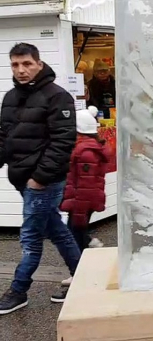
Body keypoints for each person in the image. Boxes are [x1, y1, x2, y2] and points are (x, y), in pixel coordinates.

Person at [0, 43, 81, 315]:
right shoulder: (10, 97)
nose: (21, 70)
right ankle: (81, 276)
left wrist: (40, 178)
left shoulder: (58, 97)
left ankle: (18, 290)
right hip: (22, 180)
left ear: (38, 63)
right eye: (15, 65)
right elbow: (4, 138)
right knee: (57, 230)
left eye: (27, 64)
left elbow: (63, 141)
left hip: (43, 183)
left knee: (31, 237)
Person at [52, 106, 109, 302]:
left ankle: (80, 277)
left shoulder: (85, 151)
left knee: (73, 237)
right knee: (76, 234)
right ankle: (90, 250)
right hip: (82, 201)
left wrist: (78, 210)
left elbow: (85, 185)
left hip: (81, 202)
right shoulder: (88, 147)